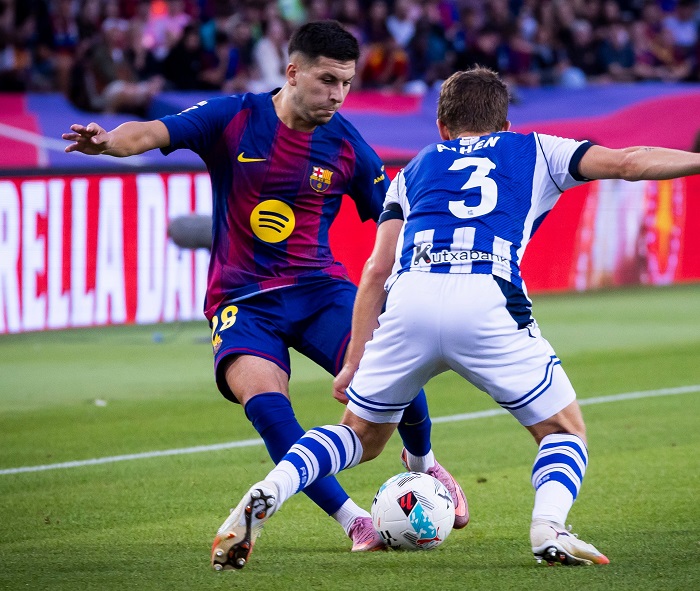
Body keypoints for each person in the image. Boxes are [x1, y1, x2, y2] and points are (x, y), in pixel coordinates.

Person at [218, 65, 700, 570]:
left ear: (442, 127)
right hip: (487, 295)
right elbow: (630, 162)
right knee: (563, 432)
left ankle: (273, 487)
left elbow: (376, 268)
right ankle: (548, 526)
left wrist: (354, 359)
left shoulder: (414, 169)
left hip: (411, 297)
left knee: (359, 436)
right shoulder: (538, 149)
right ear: (505, 124)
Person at [62, 20, 466, 560]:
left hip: (318, 291)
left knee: (394, 360)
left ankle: (424, 464)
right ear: (292, 72)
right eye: (327, 80)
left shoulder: (348, 145)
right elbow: (153, 132)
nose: (338, 95)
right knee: (269, 409)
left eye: (346, 83)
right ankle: (354, 521)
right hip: (241, 301)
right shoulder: (233, 117)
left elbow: (396, 219)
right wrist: (109, 141)